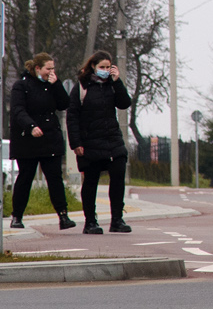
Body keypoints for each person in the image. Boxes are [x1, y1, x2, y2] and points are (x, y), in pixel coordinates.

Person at [67, 50, 133, 234]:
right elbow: (72, 116)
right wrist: (76, 143)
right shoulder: (82, 86)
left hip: (112, 139)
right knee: (91, 181)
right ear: (93, 67)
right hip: (90, 142)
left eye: (108, 67)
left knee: (118, 176)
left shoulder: (112, 85)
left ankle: (117, 219)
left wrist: (117, 81)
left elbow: (124, 103)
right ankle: (90, 222)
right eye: (102, 67)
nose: (105, 70)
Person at [8, 52, 75, 231]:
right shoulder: (21, 86)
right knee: (25, 178)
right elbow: (18, 110)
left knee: (55, 179)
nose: (51, 72)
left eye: (53, 69)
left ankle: (63, 215)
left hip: (50, 139)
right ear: (38, 68)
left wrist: (57, 85)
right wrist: (31, 126)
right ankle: (17, 216)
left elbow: (64, 104)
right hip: (27, 140)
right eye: (48, 69)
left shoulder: (52, 86)